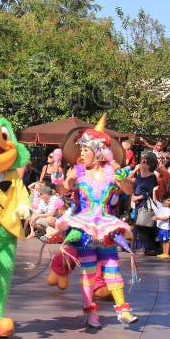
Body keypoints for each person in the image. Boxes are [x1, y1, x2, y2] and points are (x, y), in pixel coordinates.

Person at [53, 118, 139, 328]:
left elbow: (128, 190)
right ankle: (90, 311)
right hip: (85, 228)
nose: (81, 154)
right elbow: (63, 191)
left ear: (98, 151)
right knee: (89, 270)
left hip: (107, 227)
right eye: (81, 150)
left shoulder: (111, 173)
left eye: (85, 150)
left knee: (112, 267)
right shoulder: (79, 172)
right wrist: (64, 180)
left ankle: (123, 310)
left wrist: (122, 177)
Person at [153, 193, 170, 258]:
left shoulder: (168, 210)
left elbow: (166, 218)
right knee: (162, 240)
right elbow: (154, 199)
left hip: (165, 228)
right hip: (160, 227)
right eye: (168, 200)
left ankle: (166, 253)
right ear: (164, 200)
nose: (169, 202)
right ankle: (164, 253)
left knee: (166, 241)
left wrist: (157, 218)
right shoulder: (160, 205)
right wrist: (154, 191)